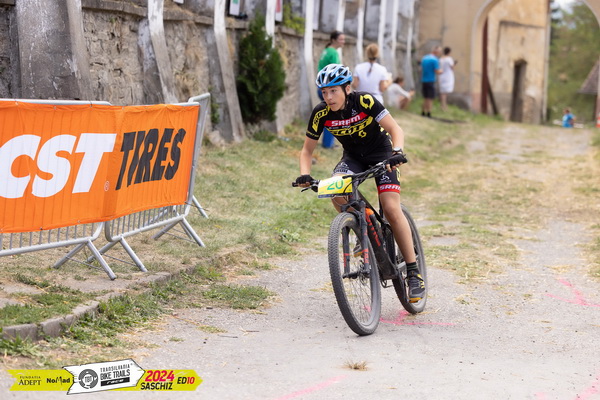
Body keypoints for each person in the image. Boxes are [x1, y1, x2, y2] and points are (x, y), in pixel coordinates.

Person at [294, 64, 424, 302]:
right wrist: (305, 174)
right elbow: (306, 151)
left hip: (382, 154)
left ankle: (414, 273)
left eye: (333, 91)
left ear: (347, 88)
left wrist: (397, 152)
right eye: (324, 92)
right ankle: (361, 226)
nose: (328, 97)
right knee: (335, 189)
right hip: (353, 158)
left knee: (391, 207)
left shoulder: (364, 101)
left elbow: (395, 129)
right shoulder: (321, 113)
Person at [317, 31, 346, 149]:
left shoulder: (327, 50)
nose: (343, 42)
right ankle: (328, 144)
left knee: (330, 114)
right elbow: (336, 73)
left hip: (323, 87)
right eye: (341, 39)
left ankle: (328, 143)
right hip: (330, 88)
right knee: (333, 116)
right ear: (333, 40)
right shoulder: (333, 52)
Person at [420, 46, 442, 117]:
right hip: (430, 80)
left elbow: (421, 69)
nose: (440, 53)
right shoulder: (435, 60)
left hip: (424, 80)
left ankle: (423, 111)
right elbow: (437, 71)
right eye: (439, 51)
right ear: (436, 51)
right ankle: (429, 112)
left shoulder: (424, 58)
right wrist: (441, 71)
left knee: (425, 97)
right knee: (430, 98)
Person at [438, 47, 456, 111]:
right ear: (449, 52)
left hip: (441, 76)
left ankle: (443, 104)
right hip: (448, 76)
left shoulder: (441, 59)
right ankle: (444, 105)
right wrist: (454, 64)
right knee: (445, 92)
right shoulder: (449, 59)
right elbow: (452, 67)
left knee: (442, 91)